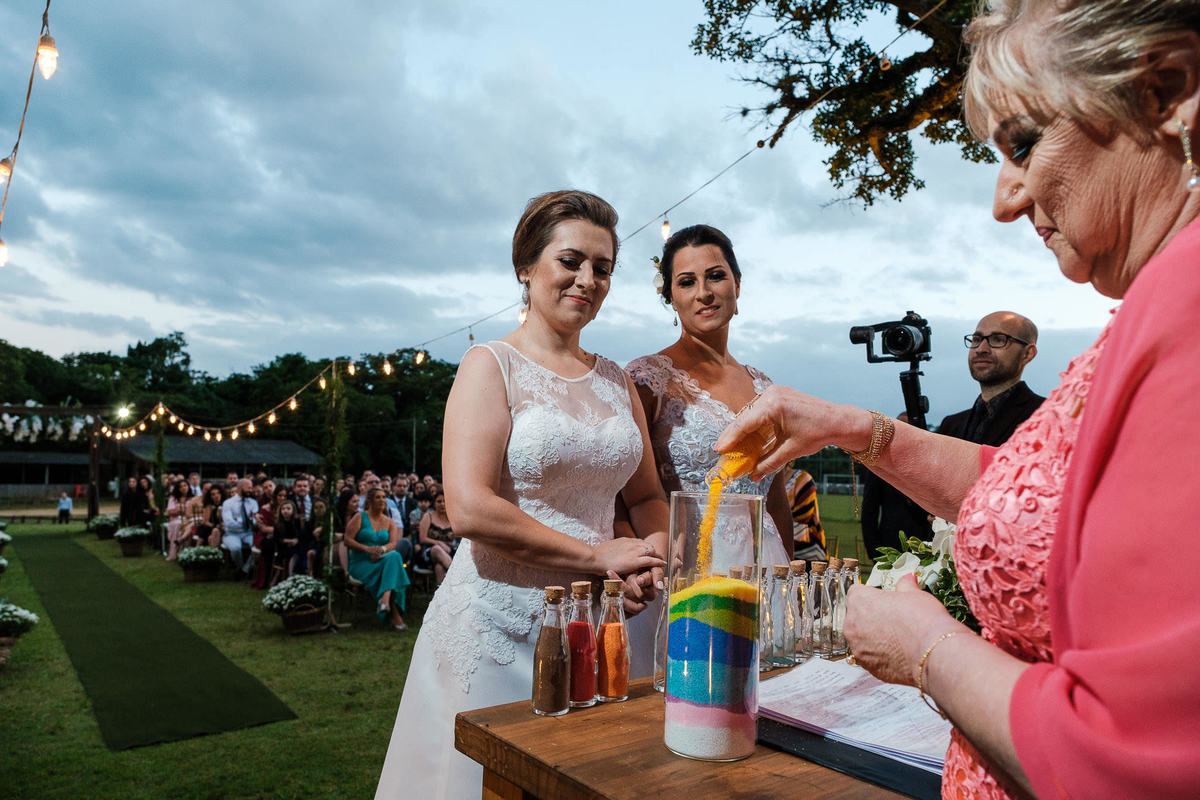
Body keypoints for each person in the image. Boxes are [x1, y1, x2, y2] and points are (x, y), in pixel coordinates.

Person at [716, 3, 1200, 797]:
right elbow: (1046, 499)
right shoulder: (1152, 303)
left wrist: (928, 652)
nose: (1004, 200)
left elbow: (1127, 759)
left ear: (1165, 91)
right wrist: (854, 429)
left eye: (1023, 144)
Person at [377, 190, 668, 799]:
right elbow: (471, 507)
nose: (587, 279)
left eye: (603, 268)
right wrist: (600, 557)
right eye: (571, 261)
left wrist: (653, 553)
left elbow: (645, 499)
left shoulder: (619, 382)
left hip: (600, 624)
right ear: (526, 266)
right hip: (498, 624)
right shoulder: (490, 366)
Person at [938, 311, 1045, 445]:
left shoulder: (1046, 417)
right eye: (976, 340)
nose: (981, 349)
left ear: (1028, 353)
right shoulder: (950, 426)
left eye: (998, 339)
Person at [859, 413, 933, 559]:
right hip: (890, 548)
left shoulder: (928, 466)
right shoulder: (879, 466)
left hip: (924, 549)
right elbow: (869, 512)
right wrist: (875, 554)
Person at [345, 487, 410, 630]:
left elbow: (393, 543)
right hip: (361, 562)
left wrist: (381, 550)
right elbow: (347, 540)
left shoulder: (390, 522)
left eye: (384, 497)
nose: (382, 500)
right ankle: (394, 614)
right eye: (378, 497)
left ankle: (385, 601)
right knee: (394, 566)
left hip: (381, 560)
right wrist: (367, 549)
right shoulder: (360, 517)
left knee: (394, 555)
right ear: (370, 500)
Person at [220, 478, 258, 579]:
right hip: (232, 533)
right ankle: (239, 567)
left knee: (258, 548)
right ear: (240, 488)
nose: (251, 490)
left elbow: (255, 521)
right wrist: (246, 522)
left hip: (248, 533)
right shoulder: (228, 503)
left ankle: (245, 570)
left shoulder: (253, 502)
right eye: (248, 488)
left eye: (251, 487)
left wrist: (239, 521)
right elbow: (229, 523)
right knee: (235, 548)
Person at [416, 490, 455, 585]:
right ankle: (458, 576)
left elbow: (458, 539)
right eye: (439, 501)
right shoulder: (428, 516)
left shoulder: (453, 517)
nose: (442, 504)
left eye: (444, 501)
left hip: (449, 552)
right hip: (429, 552)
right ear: (434, 503)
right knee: (437, 549)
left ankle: (444, 597)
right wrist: (439, 543)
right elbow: (422, 538)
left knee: (439, 567)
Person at [164, 480, 191, 561]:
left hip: (189, 520)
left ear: (188, 486)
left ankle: (183, 552)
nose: (183, 488)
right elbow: (170, 512)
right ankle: (174, 553)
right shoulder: (173, 498)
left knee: (185, 525)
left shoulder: (193, 498)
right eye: (181, 487)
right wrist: (182, 511)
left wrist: (179, 510)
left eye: (185, 485)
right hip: (175, 520)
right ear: (178, 489)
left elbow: (190, 512)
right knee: (178, 524)